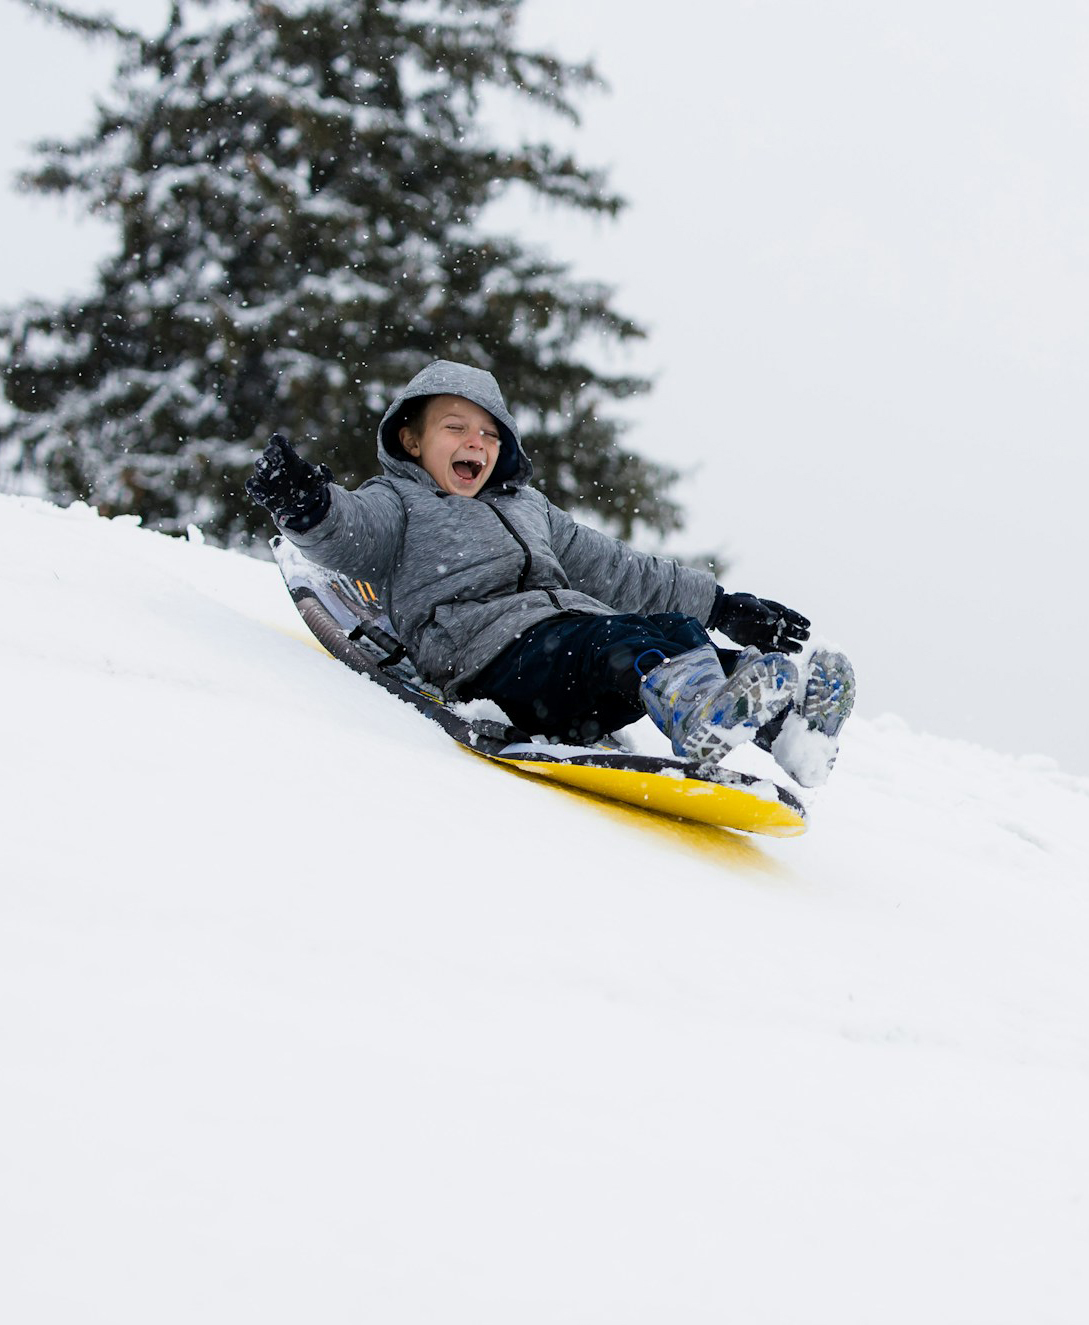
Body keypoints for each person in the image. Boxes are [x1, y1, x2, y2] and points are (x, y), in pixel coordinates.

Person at [246, 360, 854, 784]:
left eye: (488, 433)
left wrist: (720, 607)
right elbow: (348, 535)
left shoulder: (528, 507)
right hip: (488, 660)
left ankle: (790, 726)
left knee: (667, 631)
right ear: (411, 440)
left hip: (567, 656)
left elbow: (620, 569)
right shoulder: (399, 502)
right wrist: (308, 505)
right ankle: (700, 714)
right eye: (454, 428)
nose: (475, 444)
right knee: (622, 643)